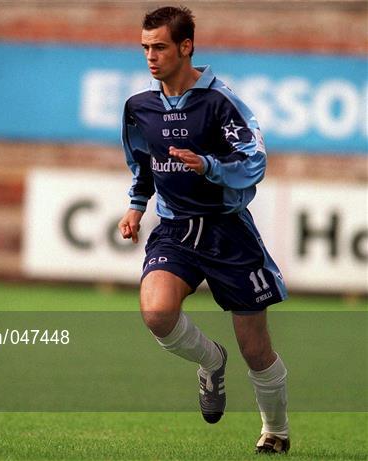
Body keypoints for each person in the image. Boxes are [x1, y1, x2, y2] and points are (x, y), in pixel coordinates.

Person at [118, 6, 290, 455]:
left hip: (227, 232)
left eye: (159, 47)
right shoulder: (140, 107)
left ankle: (276, 431)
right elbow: (143, 163)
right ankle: (211, 361)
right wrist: (136, 208)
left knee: (256, 350)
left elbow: (255, 160)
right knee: (156, 313)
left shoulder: (219, 102)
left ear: (186, 46)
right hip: (174, 231)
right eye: (145, 48)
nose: (150, 57)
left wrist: (210, 166)